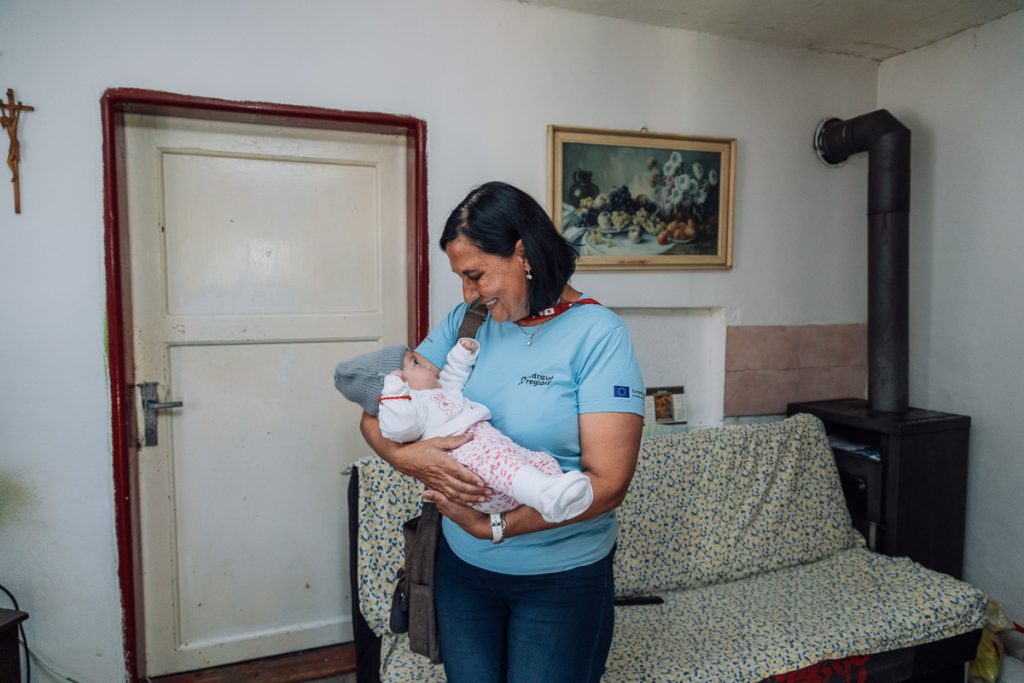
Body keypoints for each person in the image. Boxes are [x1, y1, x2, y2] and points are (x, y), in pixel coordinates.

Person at [358, 181, 645, 682]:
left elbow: (609, 483)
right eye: (461, 278)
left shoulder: (599, 335)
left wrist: (494, 526)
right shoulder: (467, 323)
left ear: (523, 253)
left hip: (560, 578)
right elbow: (376, 408)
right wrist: (407, 458)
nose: (469, 294)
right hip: (463, 571)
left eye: (476, 275)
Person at [334, 337, 594, 523]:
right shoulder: (411, 411)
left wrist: (461, 355)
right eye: (415, 364)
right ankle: (544, 496)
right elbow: (397, 427)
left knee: (537, 460)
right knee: (502, 462)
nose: (427, 365)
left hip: (496, 451)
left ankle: (557, 494)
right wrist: (393, 392)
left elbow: (453, 378)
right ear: (399, 382)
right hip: (475, 467)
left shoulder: (438, 392)